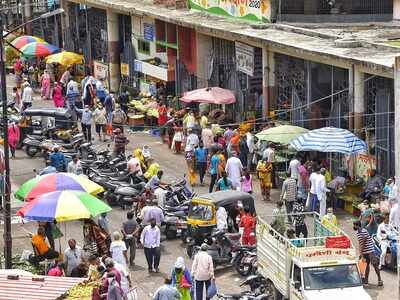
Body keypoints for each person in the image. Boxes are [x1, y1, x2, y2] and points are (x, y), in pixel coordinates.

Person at [353, 220, 383, 286]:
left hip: (370, 250)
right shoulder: (358, 233)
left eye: (354, 225)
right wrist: (361, 253)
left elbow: (363, 244)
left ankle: (379, 279)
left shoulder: (364, 231)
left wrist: (361, 254)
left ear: (357, 225)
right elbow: (360, 243)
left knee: (375, 265)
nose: (354, 226)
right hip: (364, 251)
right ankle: (366, 281)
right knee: (367, 266)